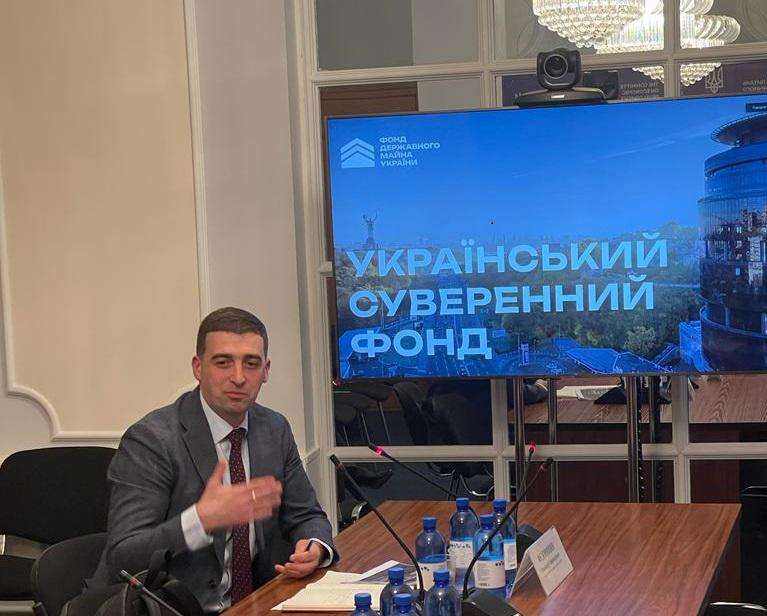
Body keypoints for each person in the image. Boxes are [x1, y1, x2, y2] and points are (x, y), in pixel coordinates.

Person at [74, 307, 337, 614]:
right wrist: (201, 521)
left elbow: (306, 514)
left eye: (251, 364)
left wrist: (315, 547)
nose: (238, 377)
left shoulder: (274, 428)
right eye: (223, 362)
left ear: (266, 371)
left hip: (253, 603)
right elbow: (123, 557)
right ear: (198, 368)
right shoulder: (152, 440)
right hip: (166, 607)